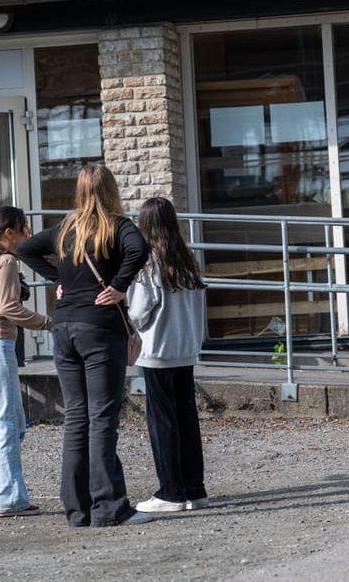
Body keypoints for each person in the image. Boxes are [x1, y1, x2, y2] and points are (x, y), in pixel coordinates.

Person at [15, 164, 152, 528]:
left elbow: (25, 250)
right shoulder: (117, 225)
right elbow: (141, 249)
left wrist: (58, 278)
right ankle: (109, 508)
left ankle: (77, 510)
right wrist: (120, 285)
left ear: (79, 190)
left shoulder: (66, 228)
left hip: (63, 327)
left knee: (76, 417)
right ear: (110, 189)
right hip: (99, 329)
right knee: (103, 417)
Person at [0, 205, 51, 518]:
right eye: (23, 228)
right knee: (9, 424)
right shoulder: (6, 263)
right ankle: (10, 499)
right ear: (8, 233)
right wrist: (47, 323)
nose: (27, 234)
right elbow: (9, 308)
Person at [128, 197, 210, 515]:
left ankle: (171, 492)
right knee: (186, 420)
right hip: (185, 350)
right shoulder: (188, 260)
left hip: (157, 349)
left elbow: (138, 311)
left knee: (162, 422)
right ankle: (194, 488)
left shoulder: (149, 262)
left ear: (145, 225)